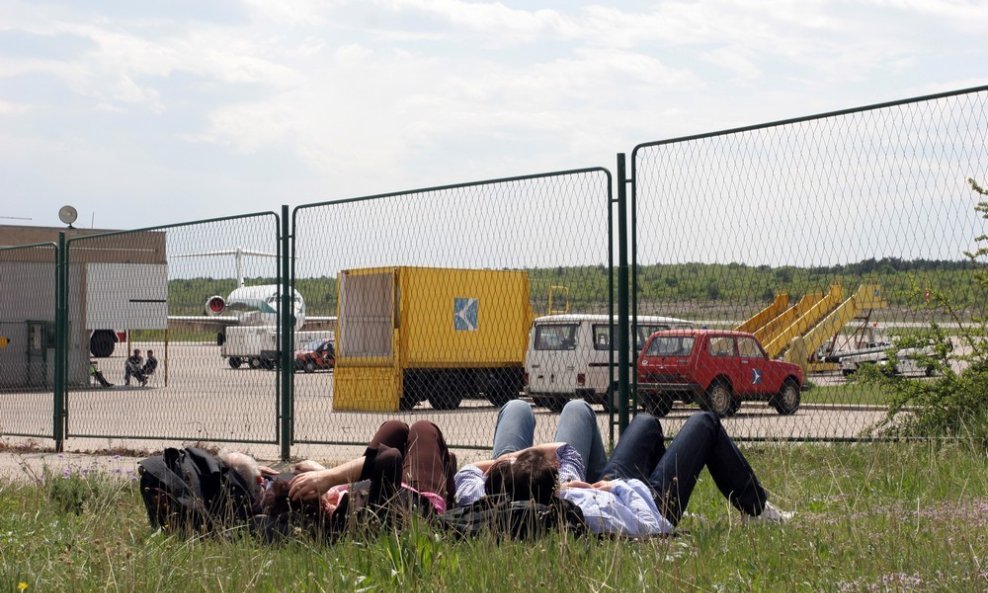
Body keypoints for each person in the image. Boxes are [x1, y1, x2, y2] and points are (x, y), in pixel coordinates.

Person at [490, 409, 794, 537]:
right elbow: (653, 527)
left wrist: (583, 486)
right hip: (648, 501)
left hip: (610, 485)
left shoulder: (540, 494)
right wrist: (610, 490)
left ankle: (679, 495)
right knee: (706, 422)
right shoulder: (582, 515)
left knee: (647, 422)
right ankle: (755, 508)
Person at [287, 419, 457, 527]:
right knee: (423, 428)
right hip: (418, 499)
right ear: (320, 502)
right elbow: (390, 458)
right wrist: (329, 476)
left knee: (394, 427)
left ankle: (444, 466)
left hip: (384, 481)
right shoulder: (345, 517)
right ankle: (447, 498)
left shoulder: (334, 505)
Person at [454, 399, 607, 507]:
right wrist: (514, 458)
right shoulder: (569, 491)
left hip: (506, 484)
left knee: (516, 406)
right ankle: (607, 478)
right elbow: (563, 448)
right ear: (555, 486)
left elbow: (468, 471)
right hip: (576, 490)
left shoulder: (478, 496)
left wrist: (507, 461)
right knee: (577, 407)